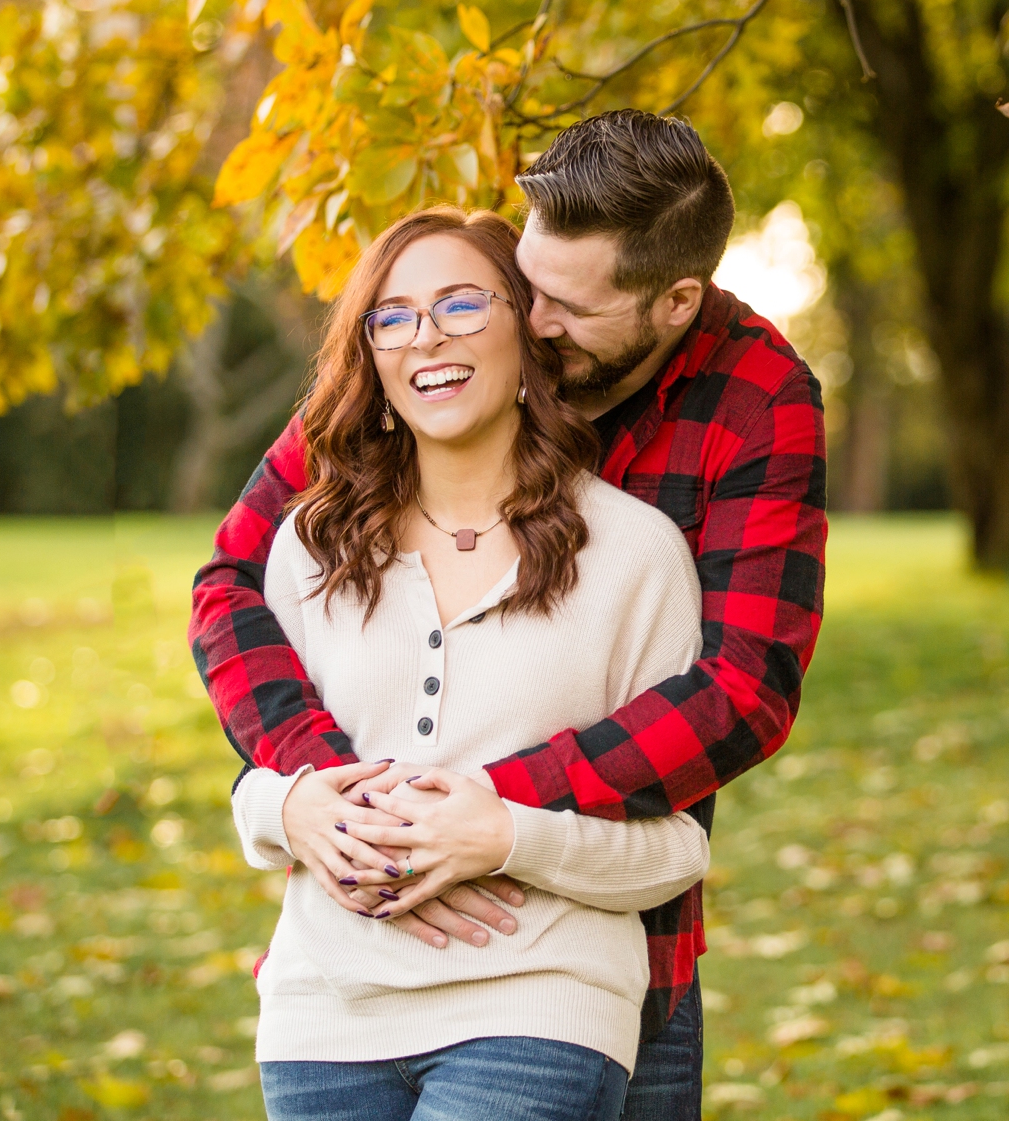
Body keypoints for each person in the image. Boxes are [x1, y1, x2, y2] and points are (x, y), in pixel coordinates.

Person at [191, 111, 829, 1119]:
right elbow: (231, 582)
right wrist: (328, 785)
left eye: (565, 307)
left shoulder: (753, 399)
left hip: (596, 941)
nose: (527, 323)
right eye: (523, 286)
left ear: (672, 301)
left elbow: (740, 692)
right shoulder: (434, 354)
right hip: (356, 977)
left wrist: (486, 808)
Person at [234, 206, 711, 1119]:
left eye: (461, 305)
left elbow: (677, 849)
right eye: (394, 315)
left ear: (528, 335)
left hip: (539, 1003)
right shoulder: (311, 543)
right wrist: (285, 808)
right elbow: (263, 779)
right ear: (371, 357)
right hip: (323, 1009)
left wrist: (507, 837)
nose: (426, 338)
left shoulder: (633, 553)